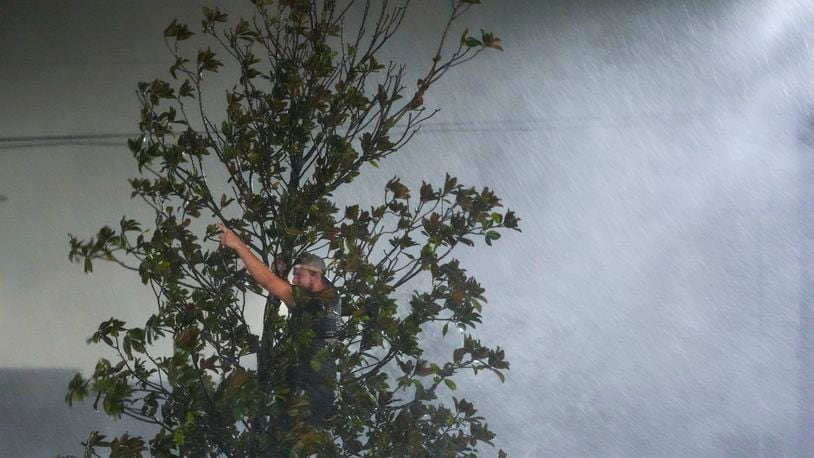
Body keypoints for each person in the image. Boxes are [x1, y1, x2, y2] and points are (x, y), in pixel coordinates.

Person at [216, 223, 340, 423]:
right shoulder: (328, 293)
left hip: (308, 389)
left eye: (299, 275)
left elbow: (269, 283)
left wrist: (238, 245)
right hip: (314, 382)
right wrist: (281, 272)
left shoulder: (315, 301)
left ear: (316, 276)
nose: (295, 280)